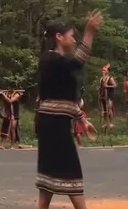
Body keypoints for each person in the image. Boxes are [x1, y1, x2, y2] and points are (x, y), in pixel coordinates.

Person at [36, 12, 102, 209]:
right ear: (59, 37)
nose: (73, 39)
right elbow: (78, 61)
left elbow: (66, 99)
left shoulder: (60, 64)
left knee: (48, 181)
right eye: (71, 35)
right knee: (71, 172)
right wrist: (89, 32)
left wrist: (82, 119)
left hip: (56, 124)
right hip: (52, 126)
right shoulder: (50, 59)